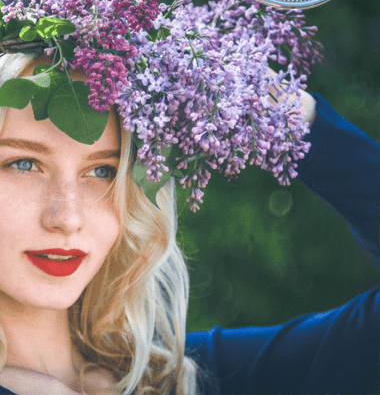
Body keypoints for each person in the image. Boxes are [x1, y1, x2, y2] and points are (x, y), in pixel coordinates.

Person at [0, 50, 378, 395]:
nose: (68, 218)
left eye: (102, 170)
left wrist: (291, 112)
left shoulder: (192, 376)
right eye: (22, 164)